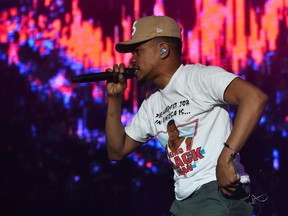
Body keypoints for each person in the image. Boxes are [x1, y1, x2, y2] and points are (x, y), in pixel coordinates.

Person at [104, 15, 268, 216]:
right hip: (184, 202)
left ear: (163, 50)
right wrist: (115, 98)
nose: (132, 59)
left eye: (138, 51)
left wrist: (225, 157)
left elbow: (254, 98)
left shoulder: (198, 78)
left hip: (217, 192)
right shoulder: (152, 103)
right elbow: (116, 150)